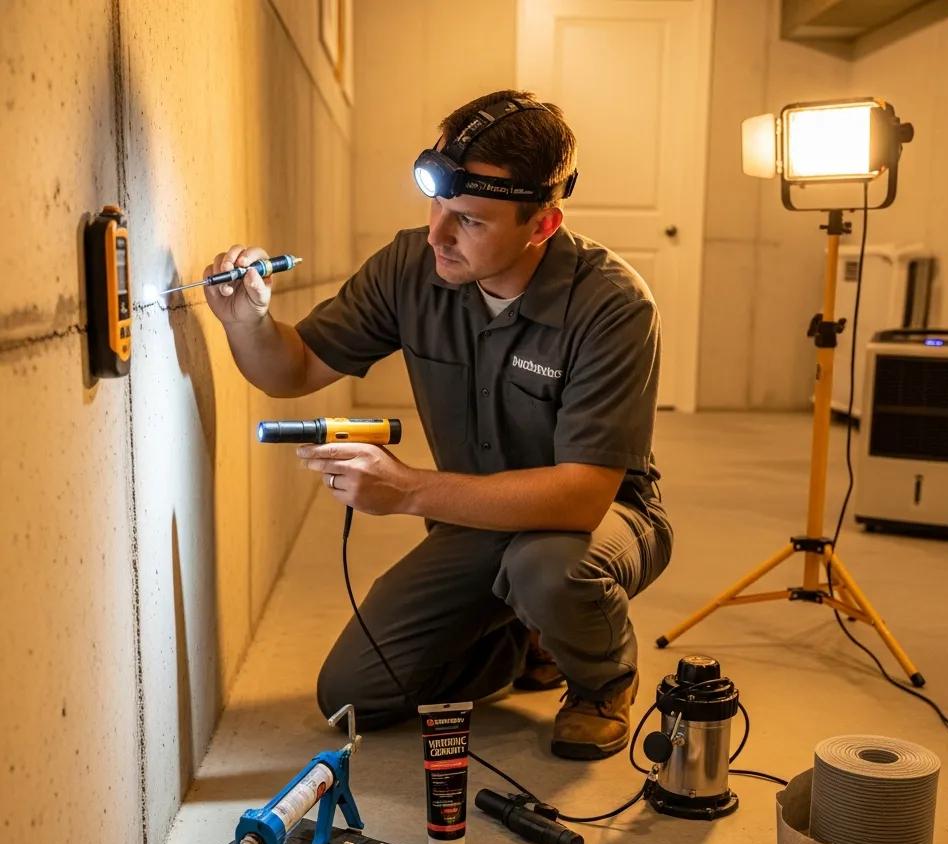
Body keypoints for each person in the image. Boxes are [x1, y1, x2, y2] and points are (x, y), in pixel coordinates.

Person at [207, 90, 673, 760]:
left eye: (471, 222)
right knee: (352, 694)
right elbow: (294, 368)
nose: (438, 235)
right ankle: (524, 637)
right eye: (436, 207)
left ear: (541, 226)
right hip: (479, 521)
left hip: (597, 522)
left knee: (545, 565)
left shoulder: (612, 305)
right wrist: (247, 320)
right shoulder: (410, 267)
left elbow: (582, 495)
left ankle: (602, 680)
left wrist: (408, 492)